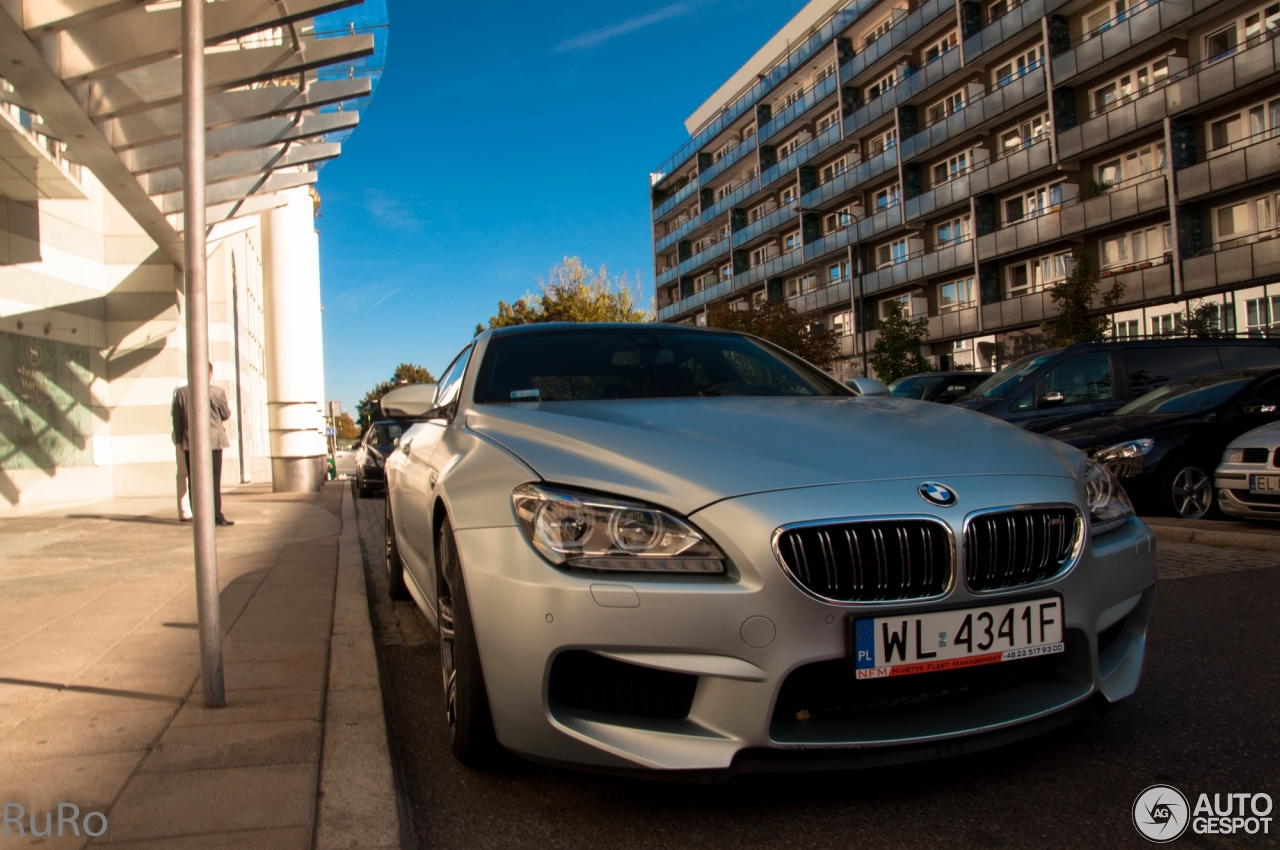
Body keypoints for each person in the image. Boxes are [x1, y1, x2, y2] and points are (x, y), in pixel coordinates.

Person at [172, 363, 234, 526]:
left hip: (190, 443)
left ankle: (199, 516)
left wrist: (179, 441)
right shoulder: (217, 392)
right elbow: (226, 414)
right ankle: (215, 515)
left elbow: (177, 421)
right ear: (210, 373)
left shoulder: (181, 393)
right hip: (213, 442)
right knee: (213, 479)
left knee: (194, 480)